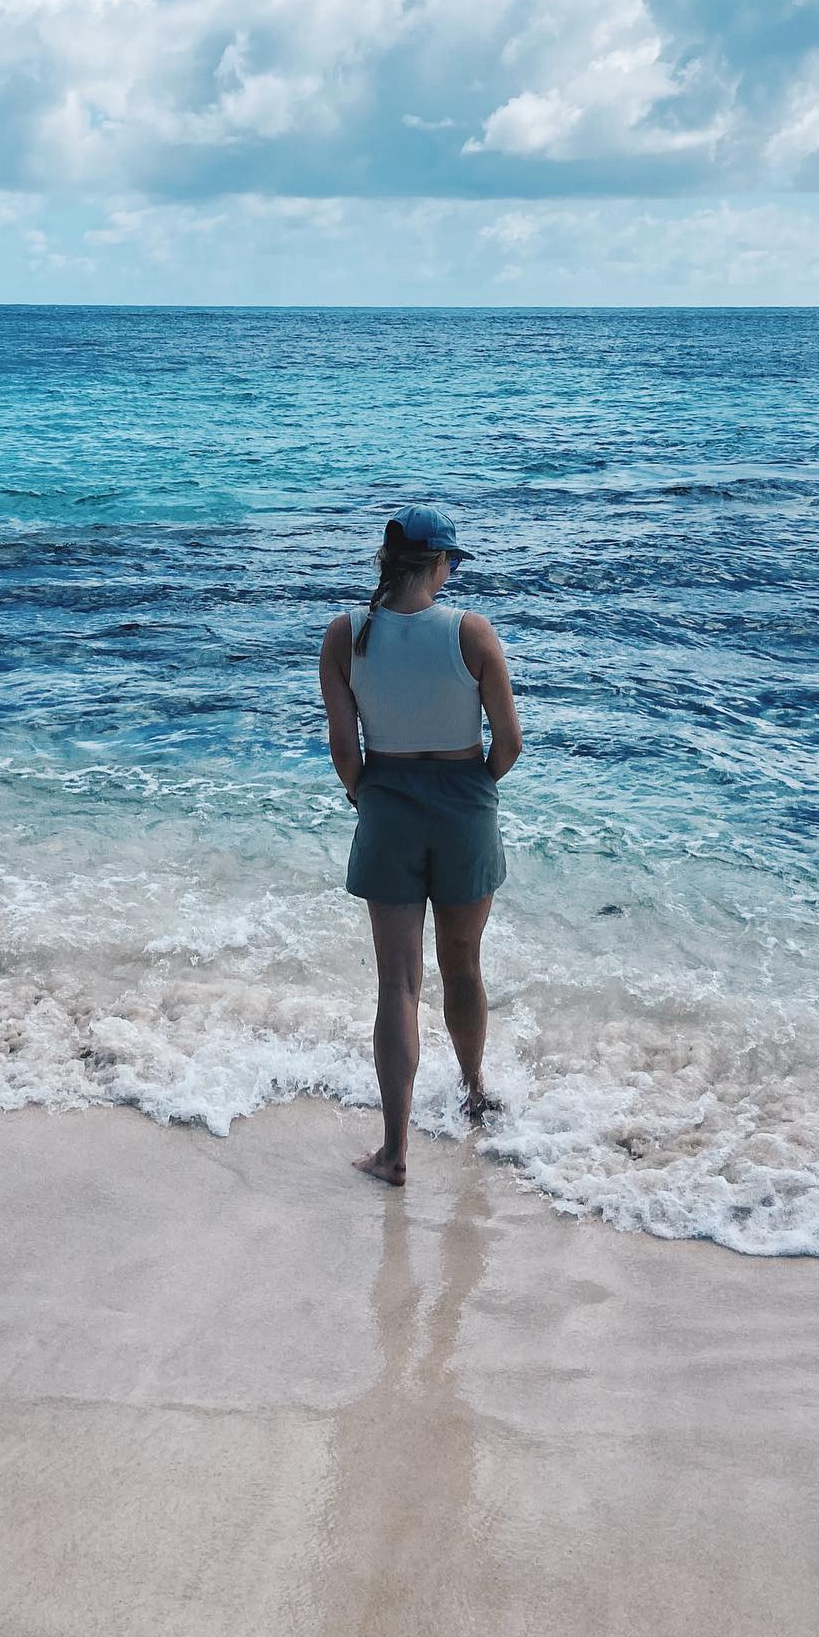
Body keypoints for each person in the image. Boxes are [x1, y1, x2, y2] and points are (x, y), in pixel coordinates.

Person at [319, 504, 522, 1187]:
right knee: (462, 965)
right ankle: (473, 1090)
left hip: (388, 808)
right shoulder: (471, 633)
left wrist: (365, 797)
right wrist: (474, 790)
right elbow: (510, 742)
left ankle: (395, 1151)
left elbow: (346, 751)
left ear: (386, 564)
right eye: (451, 563)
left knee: (398, 983)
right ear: (440, 564)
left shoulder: (347, 636)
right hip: (464, 802)